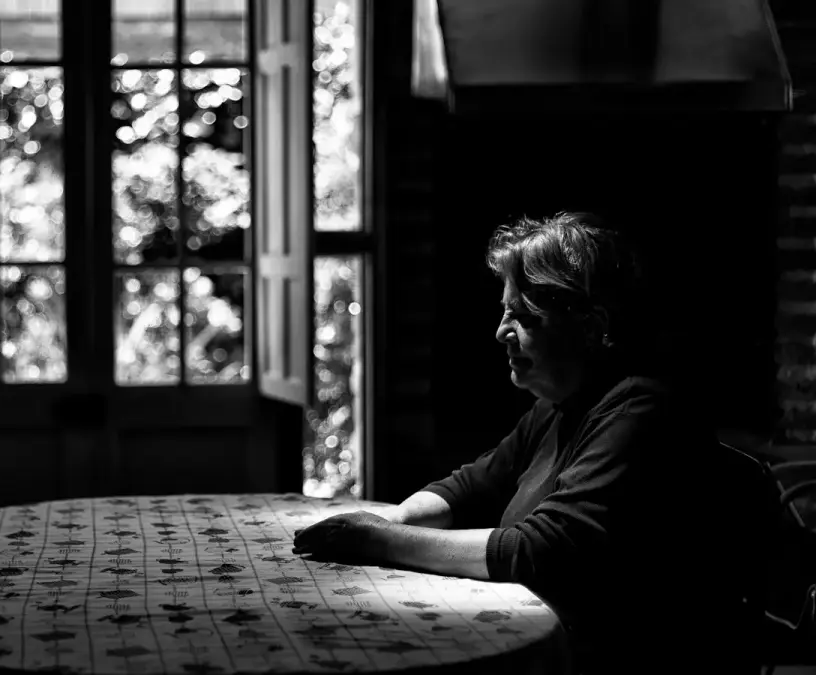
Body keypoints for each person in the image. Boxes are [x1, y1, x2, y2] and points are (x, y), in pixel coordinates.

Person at [292, 213, 757, 674]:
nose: (501, 332)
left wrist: (377, 539)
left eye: (523, 316)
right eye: (504, 312)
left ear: (593, 328)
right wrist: (390, 517)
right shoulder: (560, 406)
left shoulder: (641, 413)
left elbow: (538, 553)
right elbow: (469, 487)